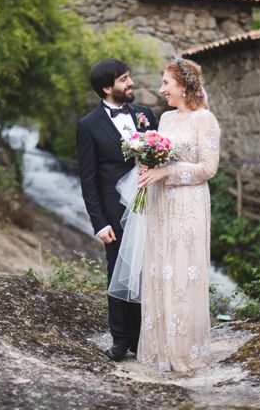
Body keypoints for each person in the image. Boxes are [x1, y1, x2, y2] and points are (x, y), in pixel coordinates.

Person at [121, 56, 220, 372]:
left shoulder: (205, 120)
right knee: (160, 270)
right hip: (161, 205)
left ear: (183, 86)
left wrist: (166, 173)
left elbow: (208, 168)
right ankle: (160, 348)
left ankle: (184, 351)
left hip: (188, 204)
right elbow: (158, 160)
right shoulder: (164, 120)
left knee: (181, 271)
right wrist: (147, 166)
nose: (161, 89)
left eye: (166, 83)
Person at [76, 58, 158, 362]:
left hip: (151, 205)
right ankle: (122, 340)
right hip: (115, 213)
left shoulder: (145, 114)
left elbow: (161, 154)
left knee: (149, 270)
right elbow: (89, 179)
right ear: (107, 87)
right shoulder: (87, 126)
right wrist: (98, 222)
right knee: (120, 273)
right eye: (124, 80)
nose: (131, 83)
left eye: (129, 77)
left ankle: (146, 338)